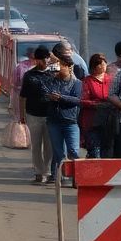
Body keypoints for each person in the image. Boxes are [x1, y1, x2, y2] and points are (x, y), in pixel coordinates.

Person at [44, 58, 83, 187]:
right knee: (58, 151)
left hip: (70, 121)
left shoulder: (76, 83)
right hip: (54, 121)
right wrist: (50, 96)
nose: (59, 68)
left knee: (73, 150)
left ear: (68, 67)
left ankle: (76, 178)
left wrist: (61, 97)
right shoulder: (52, 80)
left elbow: (78, 100)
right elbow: (45, 92)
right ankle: (57, 176)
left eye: (61, 65)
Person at [19, 47, 55, 185]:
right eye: (42, 59)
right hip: (33, 115)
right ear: (36, 60)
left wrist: (54, 59)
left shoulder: (53, 74)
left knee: (49, 146)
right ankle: (39, 172)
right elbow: (22, 97)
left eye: (46, 58)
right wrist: (21, 115)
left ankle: (48, 171)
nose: (44, 61)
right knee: (36, 145)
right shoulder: (29, 75)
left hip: (50, 115)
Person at [79, 54, 114, 158]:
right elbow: (83, 100)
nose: (103, 66)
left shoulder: (111, 80)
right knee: (95, 150)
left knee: (107, 150)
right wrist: (97, 104)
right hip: (92, 121)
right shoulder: (87, 81)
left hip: (108, 121)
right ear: (94, 66)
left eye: (104, 63)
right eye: (100, 64)